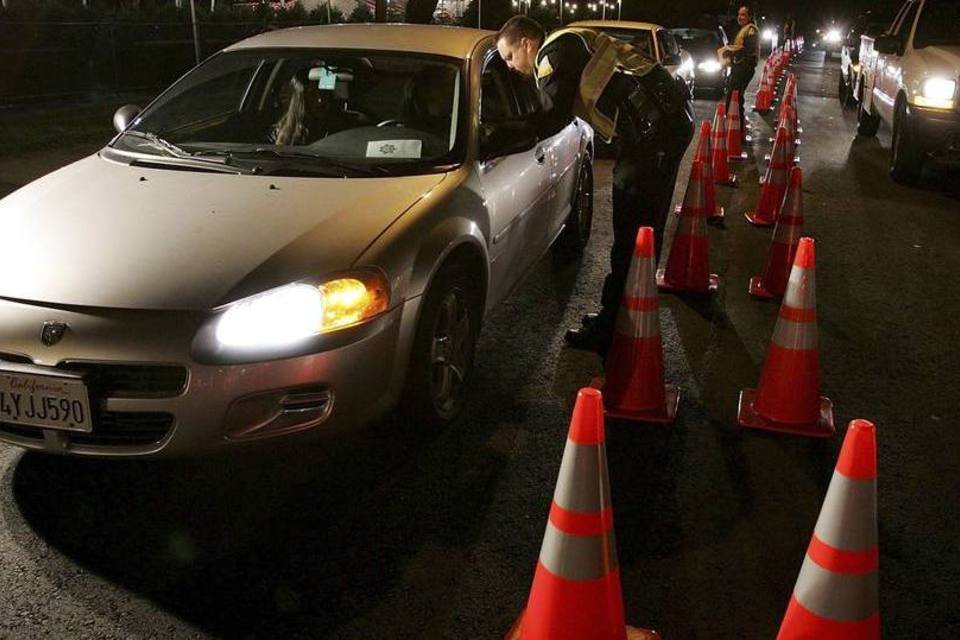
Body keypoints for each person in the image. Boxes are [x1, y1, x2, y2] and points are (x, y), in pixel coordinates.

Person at [496, 16, 694, 354]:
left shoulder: (554, 53)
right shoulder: (571, 40)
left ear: (527, 43)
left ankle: (617, 329)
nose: (511, 68)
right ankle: (620, 317)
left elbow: (552, 116)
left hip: (654, 132)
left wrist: (500, 135)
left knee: (633, 230)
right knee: (641, 228)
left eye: (509, 57)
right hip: (662, 124)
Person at [719, 5, 759, 131]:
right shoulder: (742, 29)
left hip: (744, 69)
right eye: (739, 14)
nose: (739, 17)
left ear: (750, 16)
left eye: (743, 14)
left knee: (735, 97)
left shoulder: (751, 30)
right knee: (734, 98)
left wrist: (731, 52)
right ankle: (735, 127)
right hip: (739, 68)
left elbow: (748, 50)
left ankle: (737, 129)